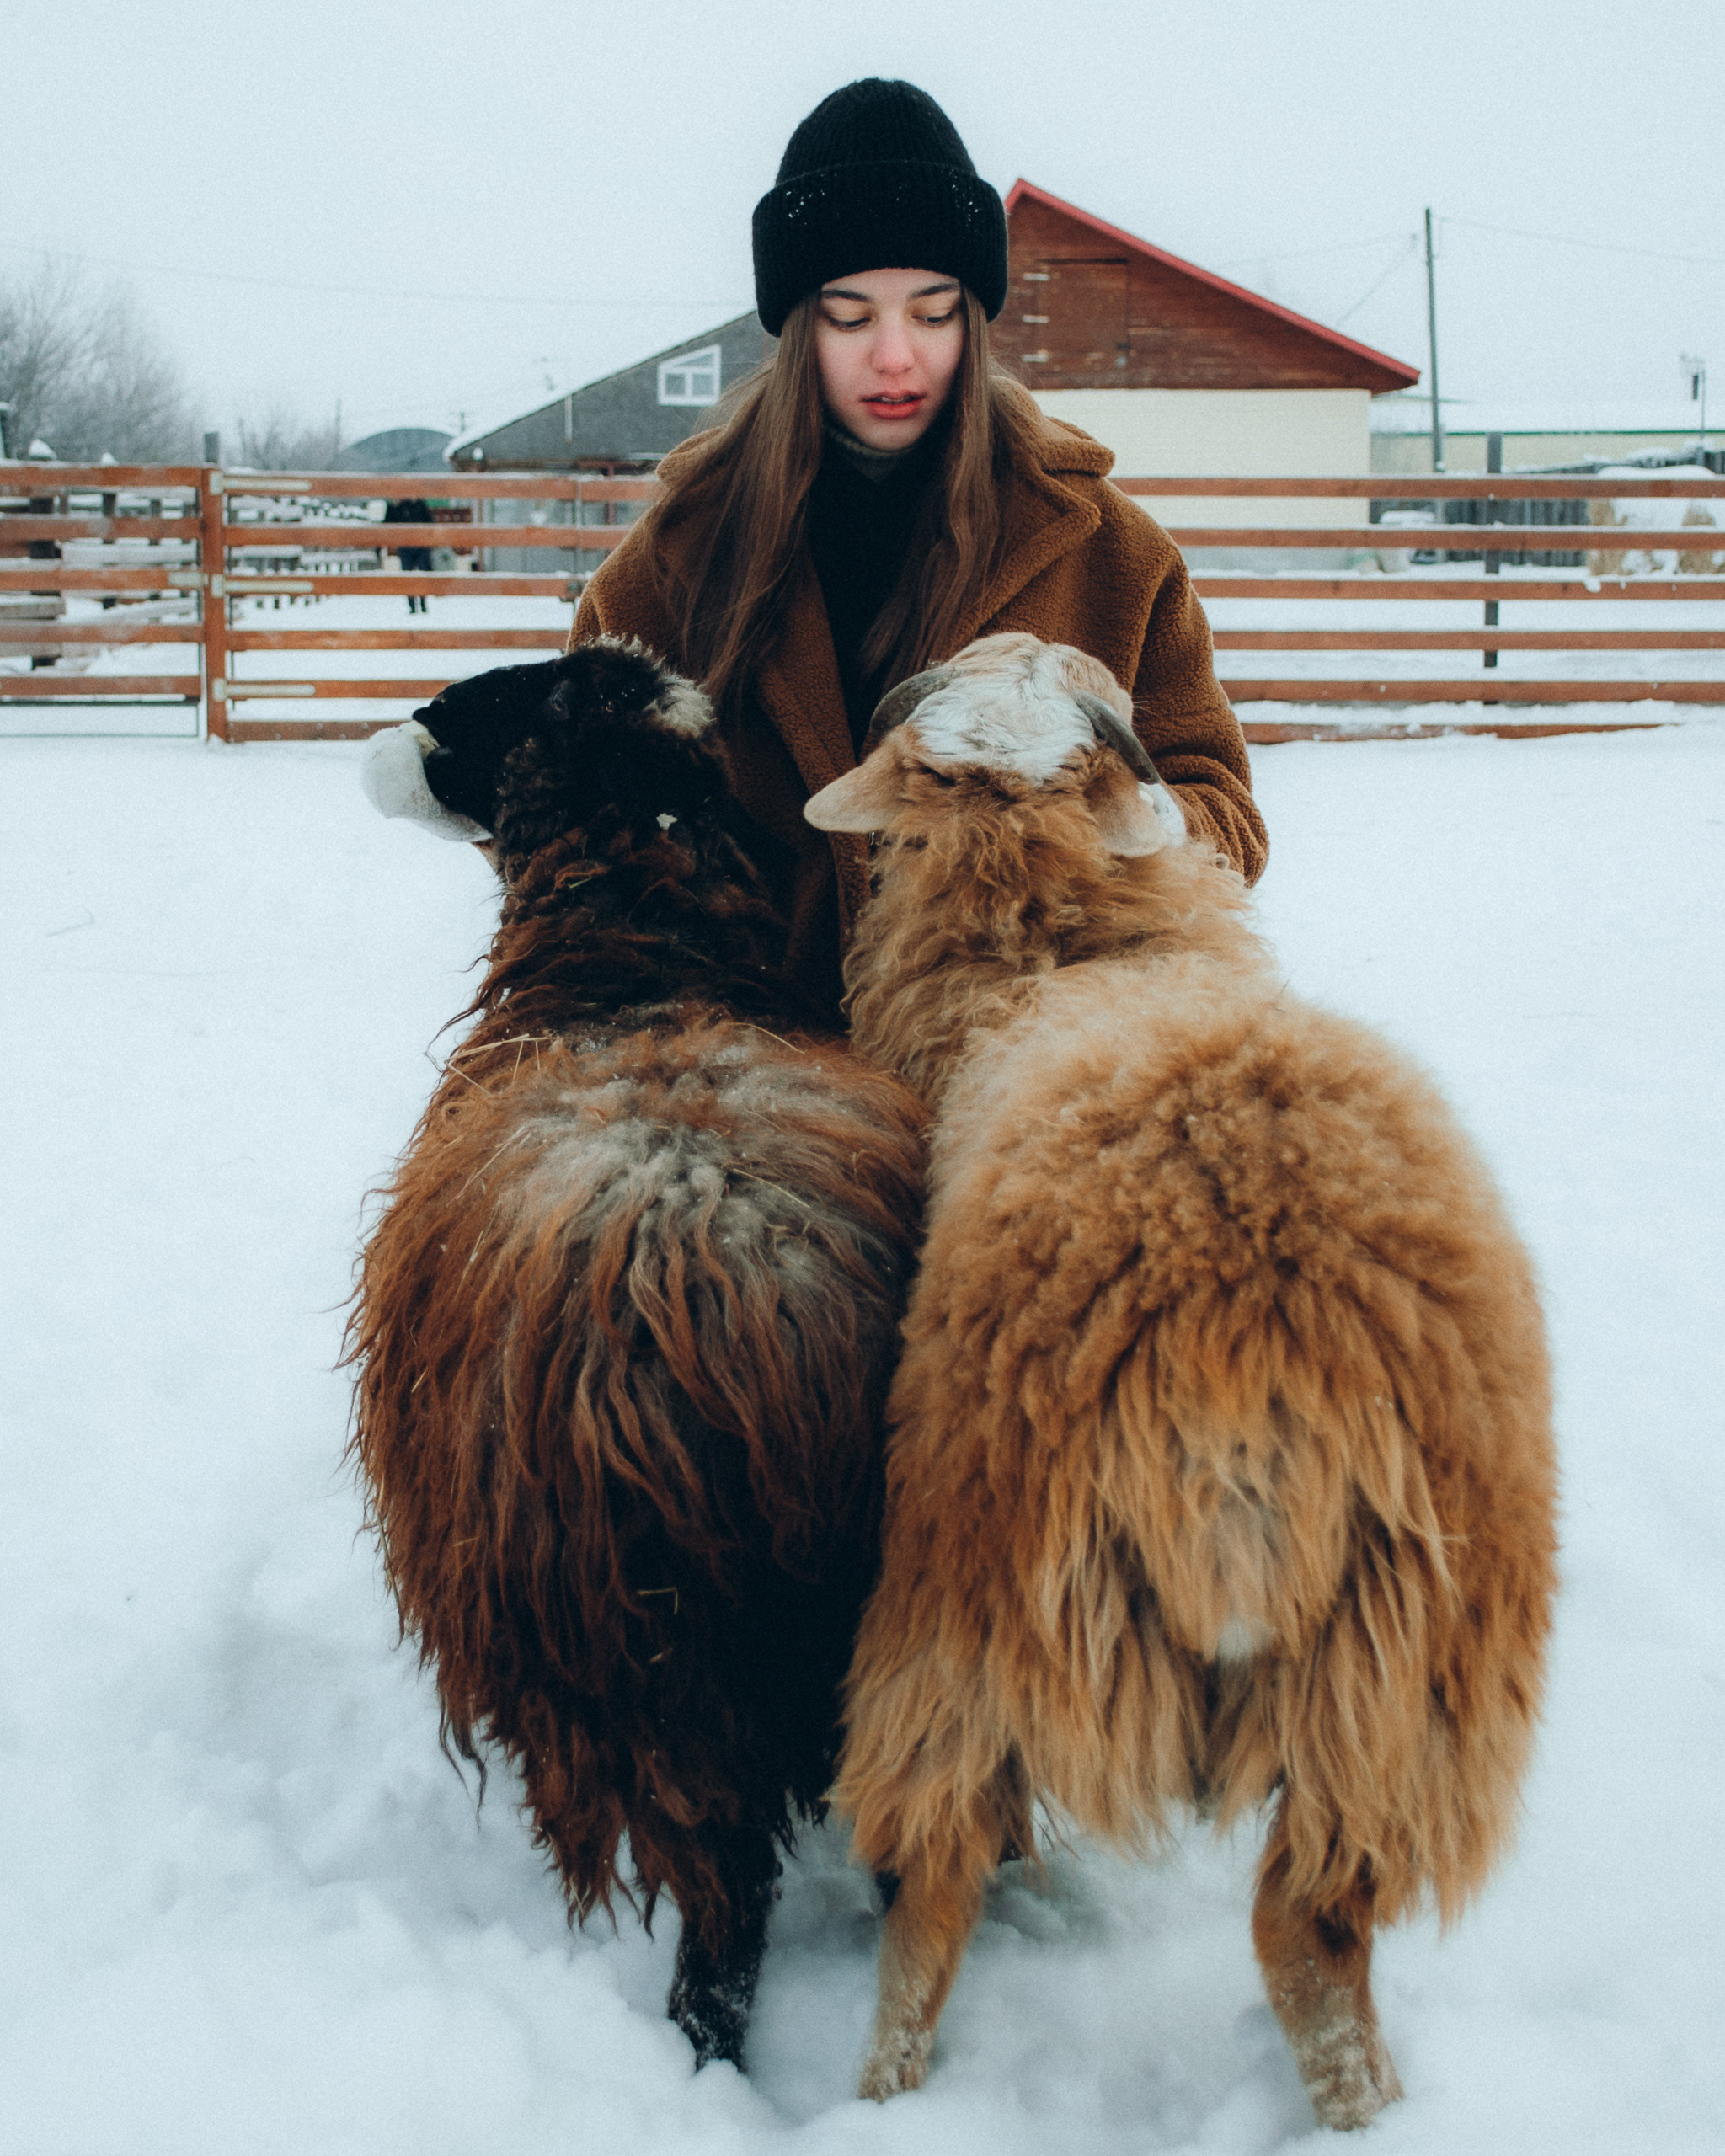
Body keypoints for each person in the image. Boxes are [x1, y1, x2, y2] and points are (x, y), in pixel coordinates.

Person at [570, 77, 1266, 1022]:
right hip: (761, 1084)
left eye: (932, 313)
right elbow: (569, 814)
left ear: (973, 323)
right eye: (849, 316)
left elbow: (1217, 805)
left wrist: (1086, 818)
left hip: (1029, 1072)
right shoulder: (669, 561)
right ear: (793, 327)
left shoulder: (1108, 550)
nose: (893, 355)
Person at [382, 495, 434, 614]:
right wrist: (392, 506)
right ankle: (412, 605)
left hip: (421, 546)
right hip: (405, 546)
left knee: (423, 574)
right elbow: (388, 522)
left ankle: (423, 602)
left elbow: (430, 522)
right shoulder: (398, 506)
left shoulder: (419, 504)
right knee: (407, 575)